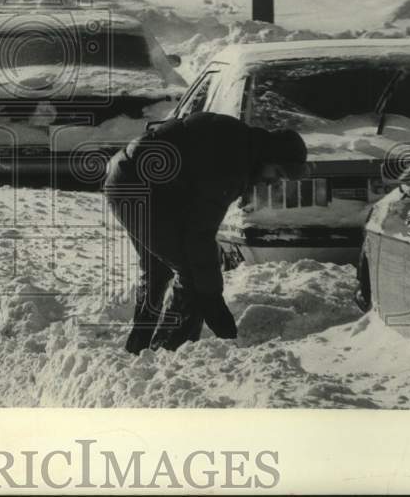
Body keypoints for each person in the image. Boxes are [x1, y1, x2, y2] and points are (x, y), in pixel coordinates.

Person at [103, 112, 308, 354]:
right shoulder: (232, 166)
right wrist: (213, 301)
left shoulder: (241, 142)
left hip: (128, 176)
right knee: (192, 277)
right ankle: (167, 354)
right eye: (277, 174)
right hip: (138, 189)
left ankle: (139, 348)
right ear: (269, 158)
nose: (273, 183)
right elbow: (199, 237)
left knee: (159, 268)